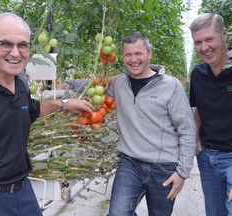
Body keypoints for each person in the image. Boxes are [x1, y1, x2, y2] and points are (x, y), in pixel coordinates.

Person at [0, 12, 93, 216]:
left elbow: (30, 110)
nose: (15, 53)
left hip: (23, 193)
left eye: (22, 45)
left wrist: (64, 104)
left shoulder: (21, 83)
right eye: (5, 44)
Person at [59, 31, 196, 215]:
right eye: (128, 54)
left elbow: (187, 129)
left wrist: (182, 172)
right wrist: (69, 84)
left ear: (149, 53)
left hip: (164, 167)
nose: (133, 59)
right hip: (130, 162)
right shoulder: (119, 83)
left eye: (138, 53)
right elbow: (94, 86)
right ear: (122, 56)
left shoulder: (171, 86)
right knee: (117, 213)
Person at [189, 13, 232, 216]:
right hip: (208, 158)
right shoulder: (198, 75)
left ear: (224, 34)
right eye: (198, 42)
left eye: (209, 39)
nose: (204, 47)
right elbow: (198, 108)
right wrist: (196, 138)